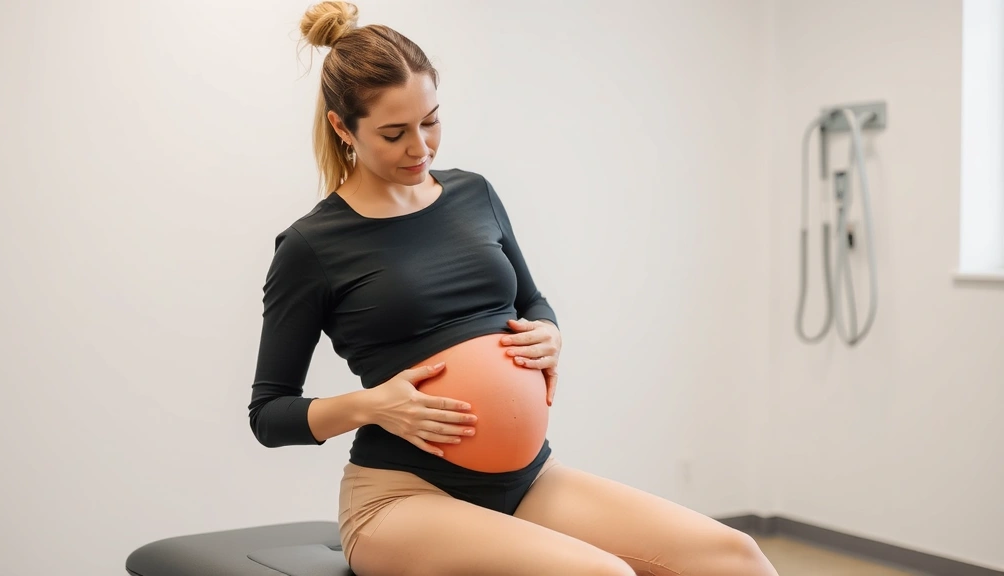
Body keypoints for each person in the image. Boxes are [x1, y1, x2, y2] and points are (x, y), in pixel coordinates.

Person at [249, 2, 780, 575]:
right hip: (400, 498)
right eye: (394, 133)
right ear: (341, 127)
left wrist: (549, 332)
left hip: (529, 479)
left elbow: (532, 301)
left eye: (431, 121)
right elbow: (269, 415)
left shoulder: (473, 193)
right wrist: (374, 406)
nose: (421, 148)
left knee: (734, 556)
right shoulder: (312, 245)